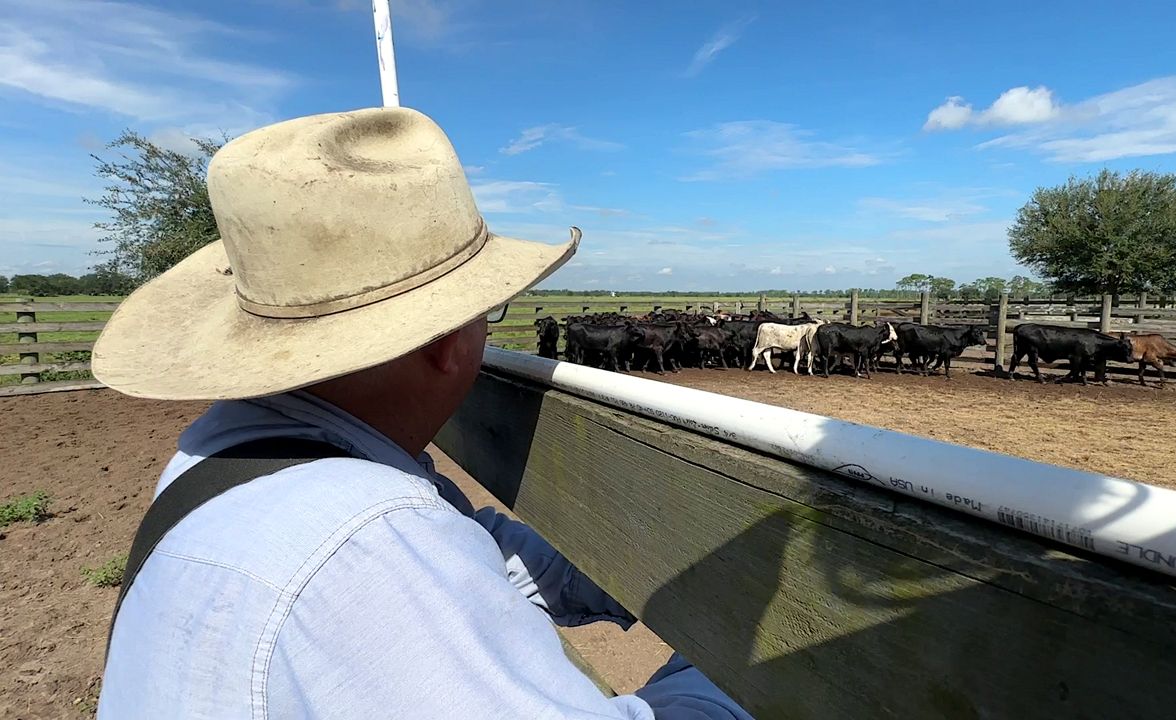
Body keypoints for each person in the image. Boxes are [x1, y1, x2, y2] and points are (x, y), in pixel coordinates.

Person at [92, 108, 751, 719]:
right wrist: (733, 671)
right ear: (445, 344)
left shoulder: (227, 455)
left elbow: (480, 552)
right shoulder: (370, 544)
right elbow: (394, 563)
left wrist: (639, 565)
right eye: (487, 309)